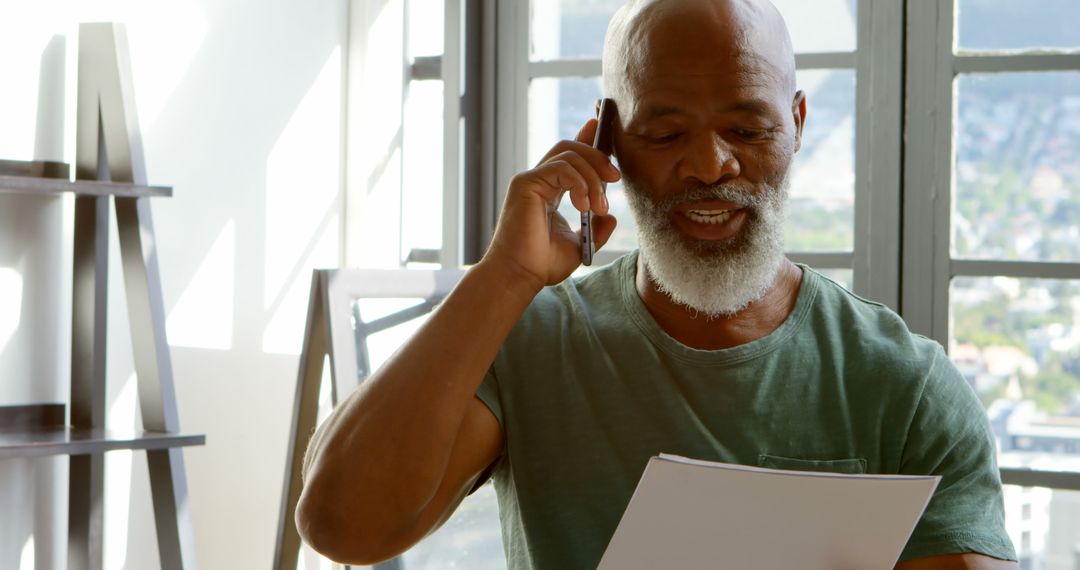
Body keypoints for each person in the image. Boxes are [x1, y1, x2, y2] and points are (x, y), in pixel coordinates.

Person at [295, 0, 1019, 567]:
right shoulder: (535, 342)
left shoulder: (902, 382)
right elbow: (342, 526)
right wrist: (504, 276)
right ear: (606, 139)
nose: (709, 165)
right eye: (666, 133)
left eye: (749, 129)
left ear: (796, 125)